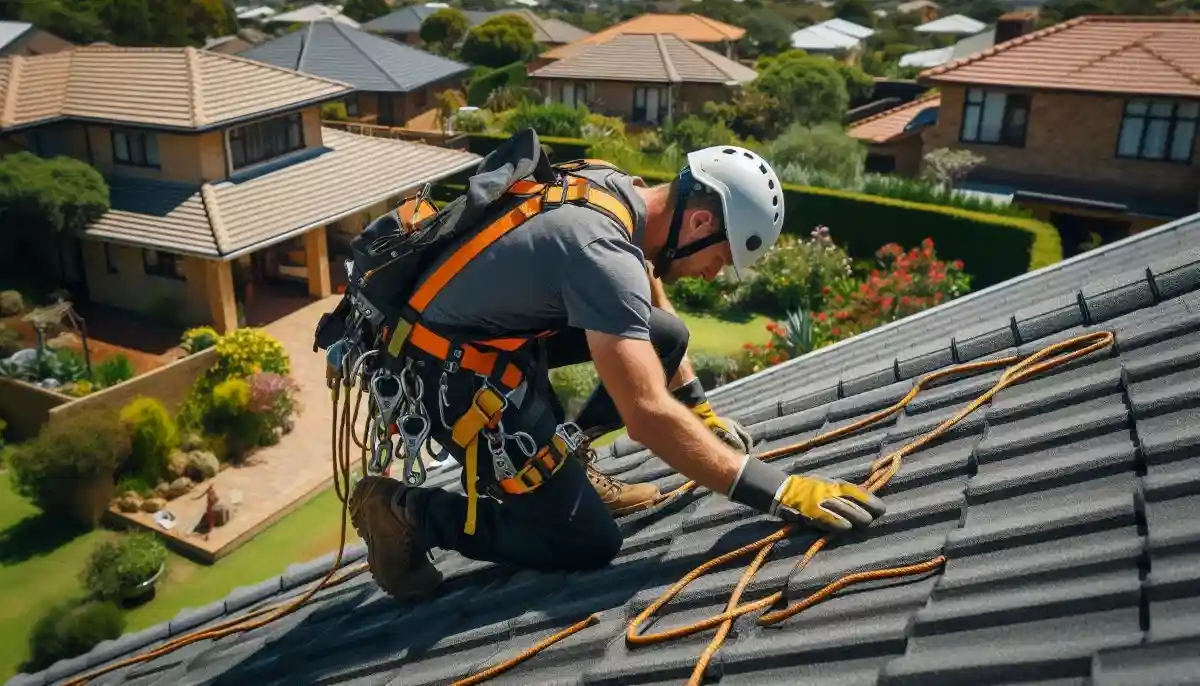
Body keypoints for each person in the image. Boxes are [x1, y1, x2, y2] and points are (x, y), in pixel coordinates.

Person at [348, 145, 886, 601]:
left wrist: (695, 400)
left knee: (666, 337)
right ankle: (405, 512)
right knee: (586, 542)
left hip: (477, 337)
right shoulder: (602, 253)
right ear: (699, 222)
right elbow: (646, 415)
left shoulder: (612, 187)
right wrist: (779, 489)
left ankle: (564, 465)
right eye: (718, 259)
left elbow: (648, 285)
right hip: (446, 374)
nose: (710, 275)